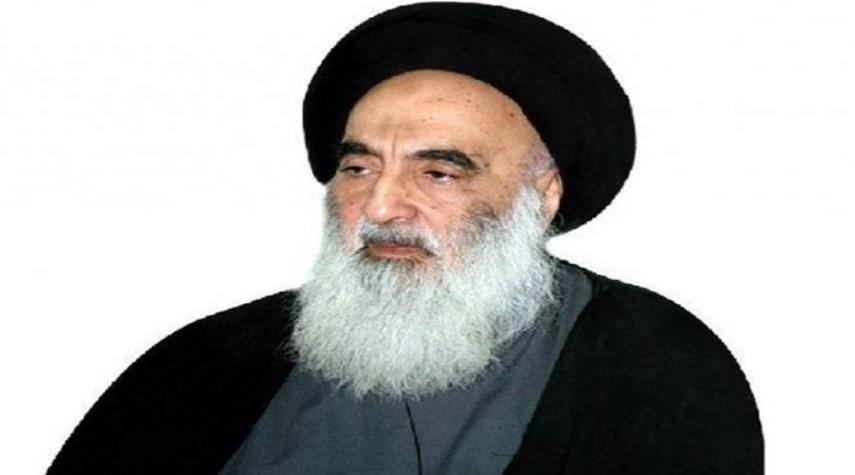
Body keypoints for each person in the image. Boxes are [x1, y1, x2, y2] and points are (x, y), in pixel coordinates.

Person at [48, 2, 763, 474]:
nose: (381, 205)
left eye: (439, 172)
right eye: (357, 167)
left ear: (541, 196)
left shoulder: (653, 360)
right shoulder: (205, 362)